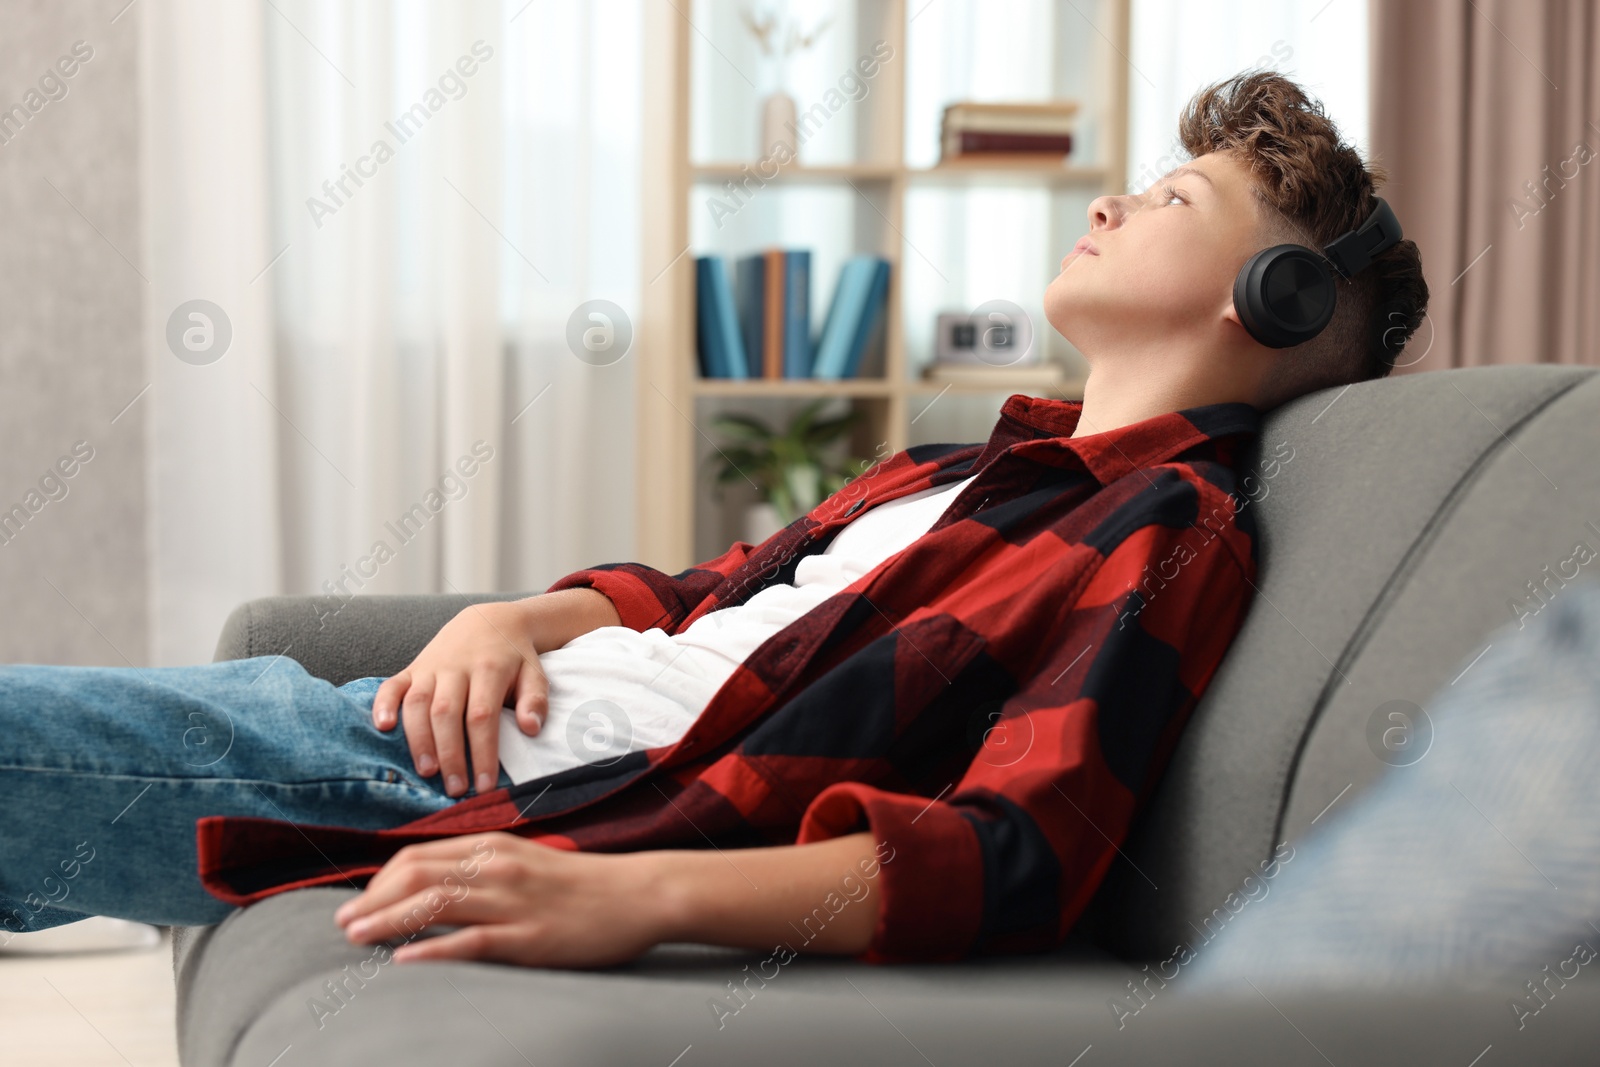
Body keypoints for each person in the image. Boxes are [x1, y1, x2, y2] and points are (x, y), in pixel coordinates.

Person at [0, 71, 1427, 968]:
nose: (1112, 201)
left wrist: (645, 897)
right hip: (459, 716)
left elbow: (1018, 855)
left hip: (533, 791)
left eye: (1172, 197)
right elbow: (709, 589)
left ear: (1275, 301)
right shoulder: (956, 470)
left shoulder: (1165, 532)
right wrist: (516, 617)